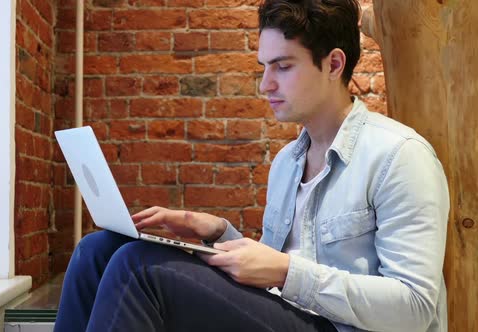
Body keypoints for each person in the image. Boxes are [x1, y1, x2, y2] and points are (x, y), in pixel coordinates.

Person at [54, 0, 449, 331]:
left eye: (283, 66)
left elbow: (416, 308)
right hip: (296, 316)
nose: (265, 85)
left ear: (333, 64)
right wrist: (219, 234)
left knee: (138, 268)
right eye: (264, 67)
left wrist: (285, 272)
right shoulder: (287, 163)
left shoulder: (400, 156)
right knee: (98, 250)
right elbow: (278, 268)